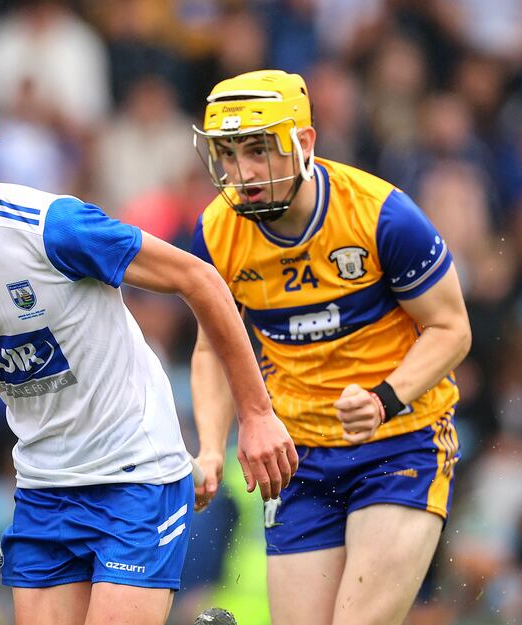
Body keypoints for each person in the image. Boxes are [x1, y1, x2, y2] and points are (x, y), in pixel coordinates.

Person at [0, 72, 298, 625]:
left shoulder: (53, 228)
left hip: (135, 476)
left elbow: (201, 280)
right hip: (43, 488)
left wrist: (257, 414)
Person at [189, 70, 471, 625]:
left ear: (305, 144)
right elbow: (211, 350)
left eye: (258, 151)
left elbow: (452, 329)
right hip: (300, 459)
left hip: (400, 444)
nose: (241, 174)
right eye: (227, 154)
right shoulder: (216, 233)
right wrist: (207, 447)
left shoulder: (382, 215)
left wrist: (386, 398)